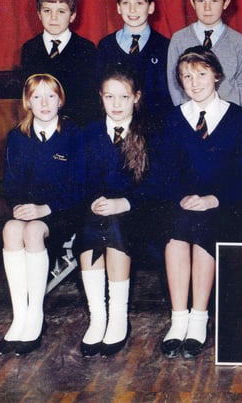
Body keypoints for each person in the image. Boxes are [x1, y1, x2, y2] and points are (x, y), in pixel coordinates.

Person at [155, 46, 242, 359]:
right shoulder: (173, 119)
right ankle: (178, 318)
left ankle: (199, 318)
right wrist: (183, 197)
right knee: (177, 233)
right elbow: (165, 172)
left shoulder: (237, 118)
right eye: (186, 76)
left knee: (204, 230)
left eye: (201, 74)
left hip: (226, 204)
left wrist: (215, 199)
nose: (194, 82)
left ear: (217, 75)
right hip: (183, 203)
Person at [0, 74, 84, 356]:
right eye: (37, 97)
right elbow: (11, 184)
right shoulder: (17, 136)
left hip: (62, 212)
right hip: (29, 211)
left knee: (34, 231)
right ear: (27, 102)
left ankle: (36, 314)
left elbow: (80, 187)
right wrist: (20, 208)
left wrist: (46, 209)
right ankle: (19, 315)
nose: (44, 103)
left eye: (51, 96)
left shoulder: (74, 135)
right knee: (11, 230)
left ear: (60, 100)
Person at [76, 64, 150, 358]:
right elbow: (79, 179)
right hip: (98, 209)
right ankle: (98, 317)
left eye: (123, 97)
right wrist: (94, 201)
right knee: (96, 221)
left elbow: (156, 183)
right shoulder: (89, 133)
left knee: (115, 223)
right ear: (101, 98)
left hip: (138, 211)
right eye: (109, 97)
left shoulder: (148, 132)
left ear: (136, 97)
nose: (116, 104)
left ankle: (118, 315)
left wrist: (126, 202)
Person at [20, 0, 98, 126]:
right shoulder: (29, 49)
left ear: (73, 15)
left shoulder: (86, 49)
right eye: (47, 11)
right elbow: (29, 97)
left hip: (76, 129)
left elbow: (89, 102)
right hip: (41, 127)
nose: (53, 17)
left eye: (61, 11)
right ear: (38, 14)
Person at [96, 0, 172, 126]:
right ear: (118, 7)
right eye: (126, 3)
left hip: (154, 126)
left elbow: (166, 95)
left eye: (139, 3)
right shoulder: (106, 46)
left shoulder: (164, 46)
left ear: (150, 7)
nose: (132, 10)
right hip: (115, 124)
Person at [167, 0, 242, 107]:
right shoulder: (179, 39)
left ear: (226, 2)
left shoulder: (238, 41)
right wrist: (186, 113)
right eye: (201, 1)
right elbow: (174, 83)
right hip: (190, 115)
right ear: (192, 2)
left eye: (214, 1)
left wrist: (231, 112)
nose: (207, 8)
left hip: (226, 115)